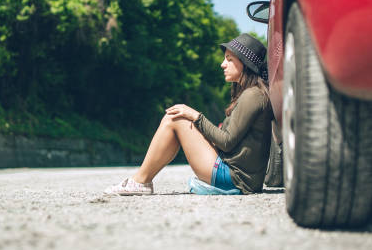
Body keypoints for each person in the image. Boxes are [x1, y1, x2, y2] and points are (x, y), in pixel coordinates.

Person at [104, 33, 273, 195]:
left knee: (175, 119)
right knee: (175, 118)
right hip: (235, 175)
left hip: (234, 178)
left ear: (245, 64)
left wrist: (196, 116)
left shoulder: (253, 95)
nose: (223, 64)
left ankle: (140, 181)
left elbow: (227, 142)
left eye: (229, 60)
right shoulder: (251, 94)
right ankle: (142, 180)